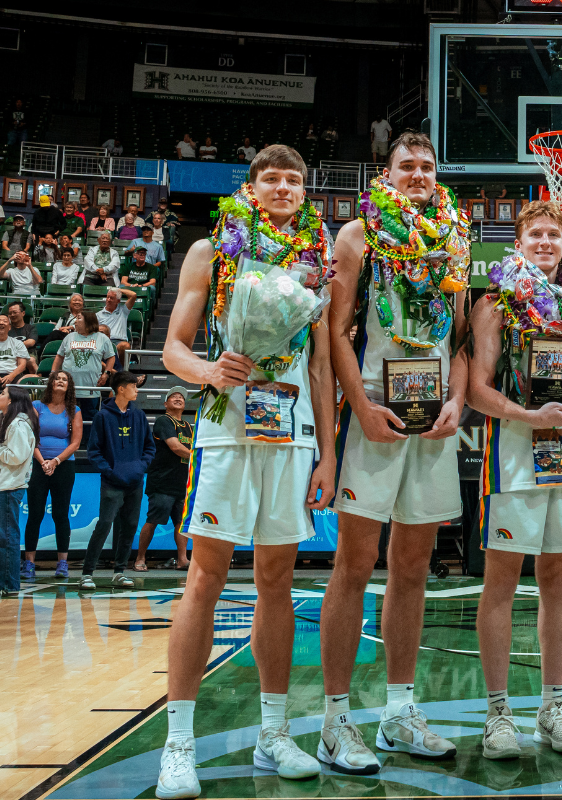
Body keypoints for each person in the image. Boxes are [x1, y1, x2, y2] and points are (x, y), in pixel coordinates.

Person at [155, 145, 335, 798]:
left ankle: (273, 732)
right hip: (228, 423)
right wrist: (207, 370)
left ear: (305, 192)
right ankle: (178, 743)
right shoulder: (212, 250)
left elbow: (320, 365)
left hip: (293, 431)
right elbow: (174, 346)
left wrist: (330, 451)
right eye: (272, 179)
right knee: (205, 575)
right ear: (252, 191)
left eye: (294, 179)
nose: (284, 187)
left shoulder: (320, 265)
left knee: (276, 578)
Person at [320, 131, 468, 769]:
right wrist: (358, 406)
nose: (417, 174)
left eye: (426, 166)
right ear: (384, 174)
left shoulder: (455, 238)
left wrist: (459, 400)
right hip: (375, 417)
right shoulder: (357, 236)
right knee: (353, 566)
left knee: (413, 567)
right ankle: (334, 719)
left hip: (432, 424)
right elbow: (334, 329)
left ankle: (399, 713)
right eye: (406, 166)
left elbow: (460, 337)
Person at [465, 201, 562, 761]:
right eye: (534, 234)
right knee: (501, 582)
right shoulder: (496, 302)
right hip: (514, 454)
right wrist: (529, 417)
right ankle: (499, 714)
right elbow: (476, 388)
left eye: (553, 234)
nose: (544, 241)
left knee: (558, 579)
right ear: (517, 243)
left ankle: (552, 706)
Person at [79, 371, 153, 590]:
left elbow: (149, 447)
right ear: (121, 388)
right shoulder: (103, 417)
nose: (137, 390)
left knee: (130, 526)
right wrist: (110, 471)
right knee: (104, 525)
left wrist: (140, 467)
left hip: (135, 482)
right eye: (133, 386)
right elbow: (94, 451)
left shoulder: (139, 415)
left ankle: (119, 572)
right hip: (112, 481)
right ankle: (86, 573)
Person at [22, 371, 82, 580]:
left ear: (69, 385)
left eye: (65, 379)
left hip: (63, 467)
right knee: (35, 515)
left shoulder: (74, 410)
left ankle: (62, 563)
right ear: (51, 383)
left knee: (60, 515)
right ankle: (29, 564)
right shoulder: (37, 406)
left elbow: (75, 443)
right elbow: (32, 438)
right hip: (38, 465)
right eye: (57, 378)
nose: (60, 381)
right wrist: (43, 462)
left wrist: (55, 461)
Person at [132, 386, 193, 572]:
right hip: (162, 482)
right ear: (165, 403)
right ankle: (140, 558)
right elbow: (175, 447)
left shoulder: (189, 426)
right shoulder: (163, 421)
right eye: (173, 396)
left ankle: (182, 559)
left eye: (181, 397)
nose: (178, 398)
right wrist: (198, 457)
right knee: (153, 521)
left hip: (182, 483)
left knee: (181, 524)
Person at [0, 386, 37, 597]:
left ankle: (9, 585)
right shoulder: (9, 421)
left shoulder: (19, 424)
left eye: (3, 394)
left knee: (7, 537)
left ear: (12, 400)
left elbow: (16, 456)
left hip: (9, 486)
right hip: (5, 485)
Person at [97, 287, 138, 366]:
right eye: (107, 297)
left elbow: (133, 295)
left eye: (112, 298)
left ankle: (123, 371)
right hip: (104, 342)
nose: (108, 300)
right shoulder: (98, 315)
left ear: (118, 301)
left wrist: (118, 290)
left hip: (120, 342)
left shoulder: (123, 310)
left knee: (125, 346)